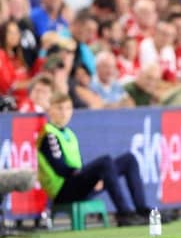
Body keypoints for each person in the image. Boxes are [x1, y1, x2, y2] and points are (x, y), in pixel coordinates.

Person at [36, 92, 150, 227]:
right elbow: (60, 168)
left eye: (68, 108)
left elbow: (78, 164)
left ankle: (142, 210)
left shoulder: (69, 134)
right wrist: (91, 175)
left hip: (76, 184)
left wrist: (96, 178)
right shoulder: (49, 134)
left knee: (129, 159)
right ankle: (124, 213)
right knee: (105, 162)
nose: (64, 113)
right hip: (62, 191)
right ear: (50, 110)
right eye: (59, 108)